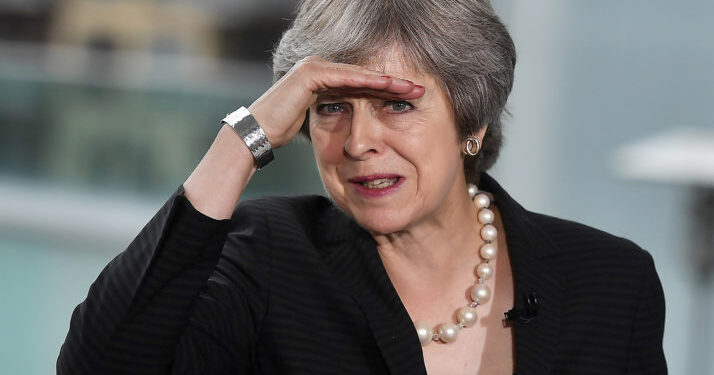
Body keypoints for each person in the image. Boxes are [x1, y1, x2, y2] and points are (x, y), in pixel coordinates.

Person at [57, 0, 667, 374]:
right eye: (330, 108)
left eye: (395, 106)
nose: (357, 142)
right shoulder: (268, 257)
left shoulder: (612, 283)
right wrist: (242, 138)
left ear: (472, 119)